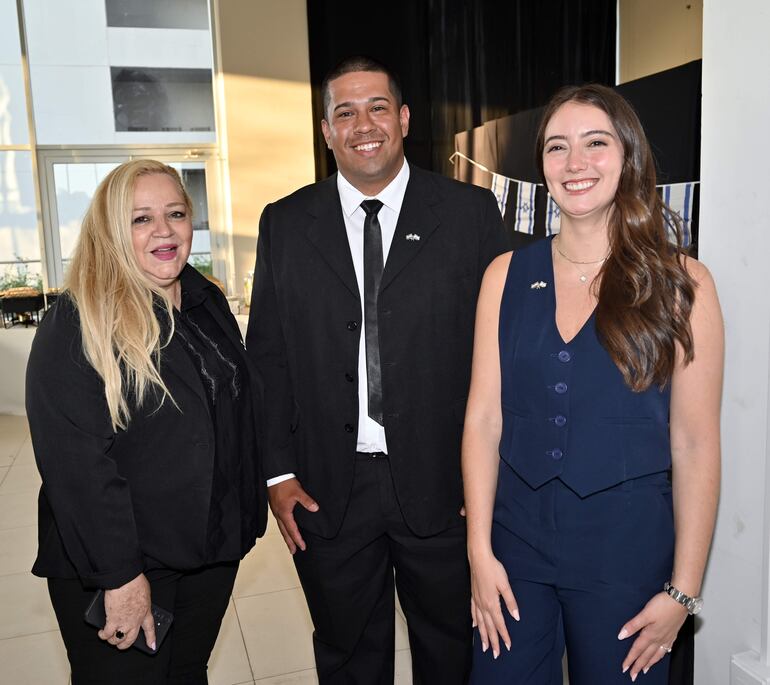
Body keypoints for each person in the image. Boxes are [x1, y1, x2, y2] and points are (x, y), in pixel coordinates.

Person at [247, 56, 508, 683]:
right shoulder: (284, 223)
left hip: (447, 488)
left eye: (378, 108)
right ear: (327, 130)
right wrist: (278, 474)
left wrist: (492, 476)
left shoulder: (471, 215)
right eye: (345, 112)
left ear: (405, 118)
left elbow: (504, 355)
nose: (363, 124)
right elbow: (268, 358)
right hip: (328, 490)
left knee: (451, 651)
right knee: (347, 655)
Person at [462, 84, 723, 684]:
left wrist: (682, 593)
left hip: (627, 554)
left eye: (595, 143)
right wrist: (479, 551)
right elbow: (483, 421)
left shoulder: (684, 284)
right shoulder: (504, 275)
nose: (575, 163)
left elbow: (695, 444)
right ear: (543, 167)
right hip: (516, 547)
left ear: (628, 156)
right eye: (558, 148)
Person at [26, 160, 267, 684]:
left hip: (208, 551)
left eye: (175, 213)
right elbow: (78, 467)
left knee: (186, 674)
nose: (163, 230)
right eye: (140, 219)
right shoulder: (76, 322)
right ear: (111, 230)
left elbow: (235, 416)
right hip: (123, 565)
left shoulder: (205, 301)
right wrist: (121, 575)